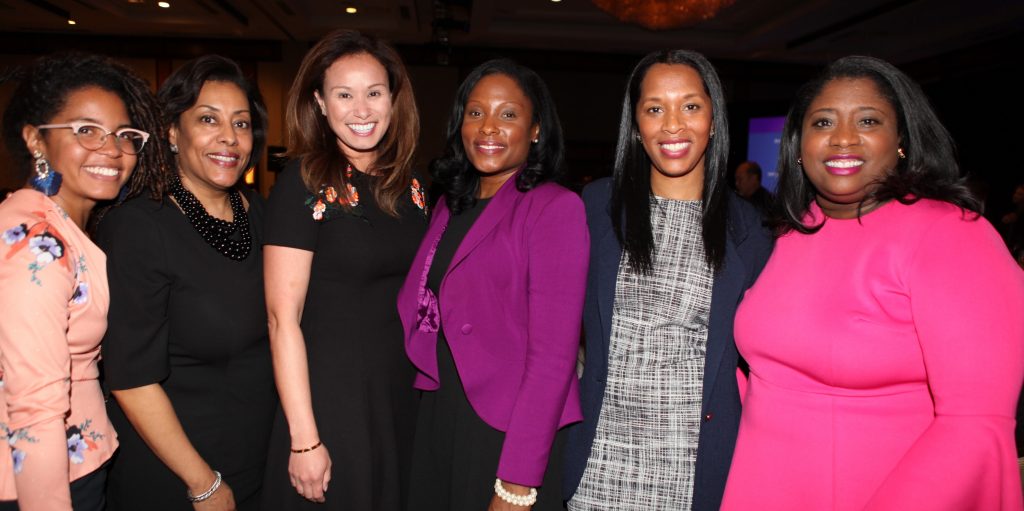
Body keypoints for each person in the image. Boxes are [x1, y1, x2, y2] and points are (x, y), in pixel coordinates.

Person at [721, 56, 1024, 510]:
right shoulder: (786, 233)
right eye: (823, 122)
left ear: (901, 140)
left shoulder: (953, 235)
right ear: (799, 145)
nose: (843, 137)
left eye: (867, 120)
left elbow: (974, 425)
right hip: (758, 488)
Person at [562, 50, 773, 511]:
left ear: (714, 120)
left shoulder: (748, 231)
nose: (673, 125)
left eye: (691, 106)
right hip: (600, 463)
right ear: (636, 125)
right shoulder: (596, 207)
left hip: (697, 469)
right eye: (655, 108)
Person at [397, 58, 588, 510]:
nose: (488, 127)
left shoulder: (554, 208)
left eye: (508, 114)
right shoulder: (449, 205)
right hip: (442, 412)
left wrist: (517, 482)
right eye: (476, 112)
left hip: (507, 428)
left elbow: (554, 359)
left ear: (535, 129)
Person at [96, 55, 275, 510]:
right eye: (208, 119)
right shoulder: (138, 227)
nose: (229, 137)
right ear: (172, 133)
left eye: (241, 123)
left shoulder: (259, 213)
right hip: (180, 476)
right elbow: (131, 378)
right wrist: (202, 483)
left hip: (257, 461)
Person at [261, 29, 426, 511]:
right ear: (319, 102)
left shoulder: (411, 185)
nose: (361, 110)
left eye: (374, 93)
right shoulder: (303, 183)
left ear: (393, 99)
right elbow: (281, 319)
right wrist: (304, 439)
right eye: (344, 95)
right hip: (330, 402)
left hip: (399, 394)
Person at [0, 52, 163, 511]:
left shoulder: (61, 226)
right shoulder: (34, 239)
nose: (112, 149)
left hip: (79, 465)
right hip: (43, 483)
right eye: (86, 130)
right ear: (36, 139)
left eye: (124, 135)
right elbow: (34, 410)